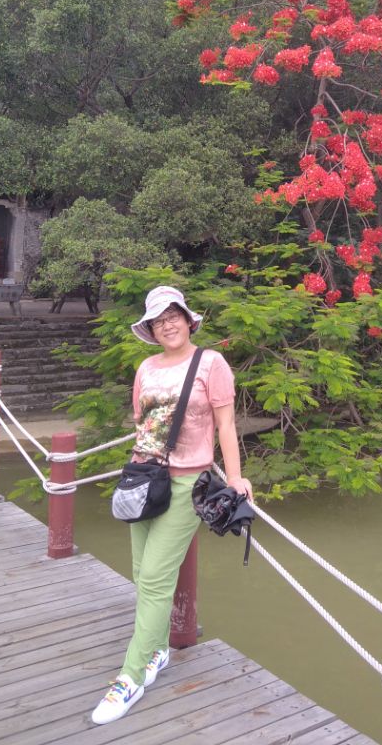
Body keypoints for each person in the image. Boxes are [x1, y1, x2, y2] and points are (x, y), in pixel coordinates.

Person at [91, 285, 252, 725]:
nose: (168, 325)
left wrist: (235, 477)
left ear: (187, 320)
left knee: (156, 578)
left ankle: (129, 677)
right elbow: (141, 423)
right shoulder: (146, 367)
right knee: (141, 572)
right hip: (143, 480)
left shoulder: (211, 364)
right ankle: (158, 650)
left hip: (187, 485)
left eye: (173, 316)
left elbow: (226, 425)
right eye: (158, 320)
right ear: (150, 329)